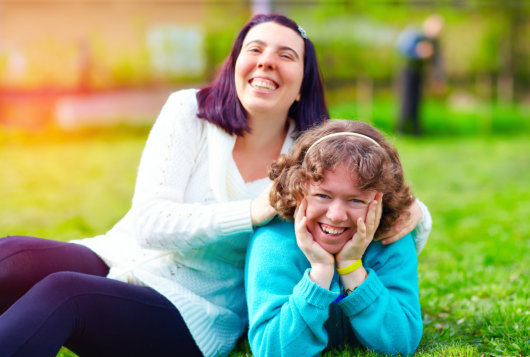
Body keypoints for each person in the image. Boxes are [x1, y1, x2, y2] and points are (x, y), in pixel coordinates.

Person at [0, 14, 430, 357]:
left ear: (302, 84)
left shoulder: (312, 154)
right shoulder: (189, 111)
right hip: (126, 256)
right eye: (255, 49)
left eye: (286, 55)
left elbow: (374, 201)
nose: (266, 61)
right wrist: (252, 211)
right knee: (11, 256)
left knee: (64, 294)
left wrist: (414, 211)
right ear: (235, 65)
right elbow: (149, 222)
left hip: (197, 306)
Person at [245, 120, 424, 356]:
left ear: (380, 201)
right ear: (298, 189)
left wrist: (352, 268)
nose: (336, 215)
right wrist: (319, 273)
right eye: (322, 195)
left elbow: (401, 343)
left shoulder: (392, 237)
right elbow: (273, 349)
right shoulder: (274, 241)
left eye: (356, 200)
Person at [396, 14, 445, 136]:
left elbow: (437, 61)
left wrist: (438, 79)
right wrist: (418, 52)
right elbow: (401, 48)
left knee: (417, 102)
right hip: (408, 70)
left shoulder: (434, 42)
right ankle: (401, 129)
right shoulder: (414, 34)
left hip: (420, 72)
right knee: (407, 101)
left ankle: (416, 130)